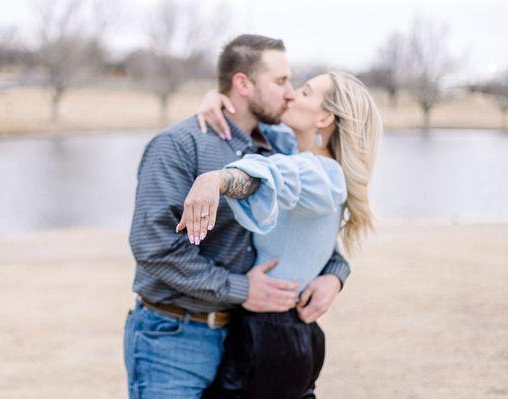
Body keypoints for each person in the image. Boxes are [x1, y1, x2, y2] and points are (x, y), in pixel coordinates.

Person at [124, 34, 350, 399]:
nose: (290, 93)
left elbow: (306, 232)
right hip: (173, 338)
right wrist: (243, 289)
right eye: (281, 82)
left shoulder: (278, 145)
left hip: (242, 339)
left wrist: (336, 275)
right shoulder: (178, 145)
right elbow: (153, 247)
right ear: (243, 83)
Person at [177, 71, 383, 398]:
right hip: (285, 335)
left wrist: (216, 180)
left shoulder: (320, 173)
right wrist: (216, 99)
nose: (290, 95)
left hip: (270, 337)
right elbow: (255, 122)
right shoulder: (301, 155)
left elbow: (270, 173)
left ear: (325, 116)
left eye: (304, 93)